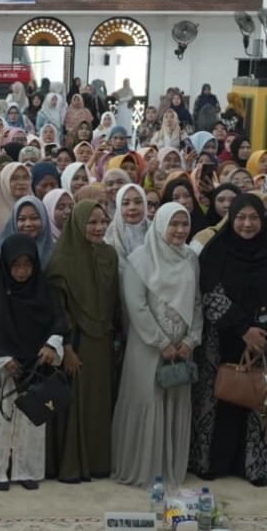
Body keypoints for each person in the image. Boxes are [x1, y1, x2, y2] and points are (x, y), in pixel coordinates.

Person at [191, 194, 267, 486]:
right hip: (222, 337)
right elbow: (209, 293)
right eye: (240, 217)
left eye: (253, 218)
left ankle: (255, 466)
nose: (247, 224)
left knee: (259, 399)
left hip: (263, 339)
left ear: (262, 220)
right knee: (216, 398)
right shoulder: (215, 251)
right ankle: (209, 461)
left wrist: (259, 330)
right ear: (230, 219)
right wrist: (241, 328)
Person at [112, 202, 202, 487]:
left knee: (175, 402)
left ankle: (169, 467)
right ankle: (143, 469)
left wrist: (191, 339)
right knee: (148, 400)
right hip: (148, 347)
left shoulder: (190, 258)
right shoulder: (140, 259)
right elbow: (136, 307)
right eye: (173, 224)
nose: (179, 230)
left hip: (182, 348)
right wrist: (160, 341)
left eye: (183, 224)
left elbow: (197, 301)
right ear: (161, 224)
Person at [0, 233, 65, 490]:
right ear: (6, 264)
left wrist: (51, 345)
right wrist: (3, 360)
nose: (22, 271)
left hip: (34, 367)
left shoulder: (42, 289)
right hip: (2, 368)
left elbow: (58, 320)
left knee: (30, 421)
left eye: (27, 265)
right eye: (16, 265)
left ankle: (26, 471)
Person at [46, 199, 119, 483]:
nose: (99, 228)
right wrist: (66, 348)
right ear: (78, 223)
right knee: (78, 402)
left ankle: (100, 462)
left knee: (100, 402)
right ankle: (74, 465)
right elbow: (57, 310)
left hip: (103, 342)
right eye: (92, 222)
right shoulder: (61, 260)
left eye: (103, 222)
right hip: (76, 344)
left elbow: (115, 302)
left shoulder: (109, 255)